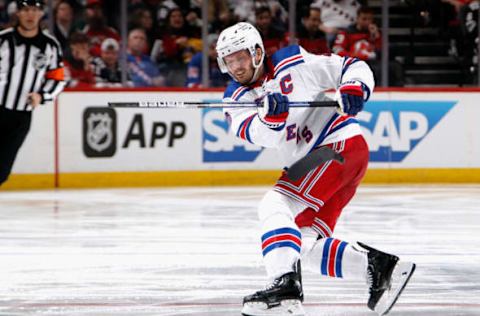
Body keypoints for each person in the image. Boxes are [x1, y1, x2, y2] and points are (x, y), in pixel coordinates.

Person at [215, 22, 415, 316]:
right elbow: (263, 135)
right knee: (303, 245)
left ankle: (283, 287)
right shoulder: (234, 101)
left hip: (336, 145)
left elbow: (351, 66)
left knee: (275, 203)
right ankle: (380, 267)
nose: (236, 67)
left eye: (240, 57)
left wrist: (354, 87)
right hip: (324, 159)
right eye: (228, 60)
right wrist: (272, 119)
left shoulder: (292, 61)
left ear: (257, 52)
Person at [0, 0, 65, 186]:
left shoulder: (50, 46)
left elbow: (57, 79)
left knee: (2, 171)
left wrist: (42, 96)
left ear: (41, 14)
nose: (30, 15)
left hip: (21, 117)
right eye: (26, 10)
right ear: (18, 13)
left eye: (35, 10)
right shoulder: (3, 40)